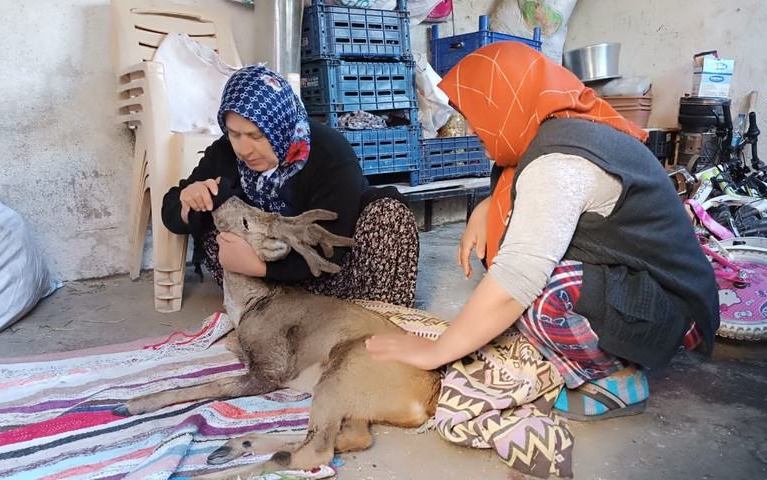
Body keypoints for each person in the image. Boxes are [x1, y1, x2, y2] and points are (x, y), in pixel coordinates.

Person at [366, 41, 720, 421]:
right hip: (648, 286)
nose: (470, 128)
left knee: (538, 293)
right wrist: (486, 208)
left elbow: (514, 281)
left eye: (474, 113)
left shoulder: (559, 162)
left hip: (676, 314)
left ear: (501, 102)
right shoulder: (561, 128)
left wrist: (436, 352)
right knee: (518, 264)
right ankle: (597, 347)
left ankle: (615, 380)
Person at [161, 65, 419, 308]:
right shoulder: (225, 153)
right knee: (214, 214)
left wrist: (258, 267)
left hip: (338, 276)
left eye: (256, 135)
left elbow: (331, 248)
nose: (243, 148)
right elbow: (171, 212)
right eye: (234, 133)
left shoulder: (330, 152)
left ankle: (377, 317)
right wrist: (188, 201)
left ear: (279, 126)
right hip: (267, 289)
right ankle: (274, 313)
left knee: (389, 215)